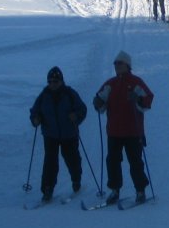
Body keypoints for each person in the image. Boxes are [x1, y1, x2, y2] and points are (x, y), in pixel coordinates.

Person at [92, 51, 153, 204]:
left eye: (120, 63)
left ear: (127, 65)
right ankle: (114, 190)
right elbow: (100, 100)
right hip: (114, 131)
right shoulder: (110, 84)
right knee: (112, 162)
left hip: (133, 131)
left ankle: (140, 191)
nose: (117, 66)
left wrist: (138, 98)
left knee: (135, 162)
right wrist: (97, 103)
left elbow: (148, 99)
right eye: (115, 64)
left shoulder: (136, 82)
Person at [29, 66, 88, 201]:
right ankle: (47, 189)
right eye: (50, 81)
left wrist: (76, 117)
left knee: (72, 159)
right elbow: (34, 111)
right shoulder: (44, 95)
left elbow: (82, 109)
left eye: (55, 81)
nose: (52, 84)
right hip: (50, 135)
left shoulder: (70, 94)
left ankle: (76, 180)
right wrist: (35, 119)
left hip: (69, 134)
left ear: (61, 81)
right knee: (50, 162)